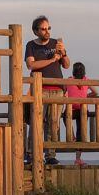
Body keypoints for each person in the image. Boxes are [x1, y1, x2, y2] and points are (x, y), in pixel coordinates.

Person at [25, 15, 69, 165]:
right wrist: (51, 60)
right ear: (36, 31)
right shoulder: (31, 45)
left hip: (57, 89)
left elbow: (67, 65)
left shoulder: (57, 43)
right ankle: (31, 154)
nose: (47, 31)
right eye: (43, 29)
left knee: (53, 123)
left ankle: (50, 154)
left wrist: (63, 53)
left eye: (48, 28)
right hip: (39, 90)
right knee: (36, 122)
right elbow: (31, 65)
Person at [63, 62, 96, 166]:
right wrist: (86, 96)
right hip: (82, 110)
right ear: (84, 71)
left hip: (71, 110)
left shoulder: (69, 80)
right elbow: (96, 92)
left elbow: (63, 92)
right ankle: (78, 159)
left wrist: (66, 96)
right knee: (80, 133)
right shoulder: (86, 80)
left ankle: (71, 135)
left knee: (65, 117)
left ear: (73, 71)